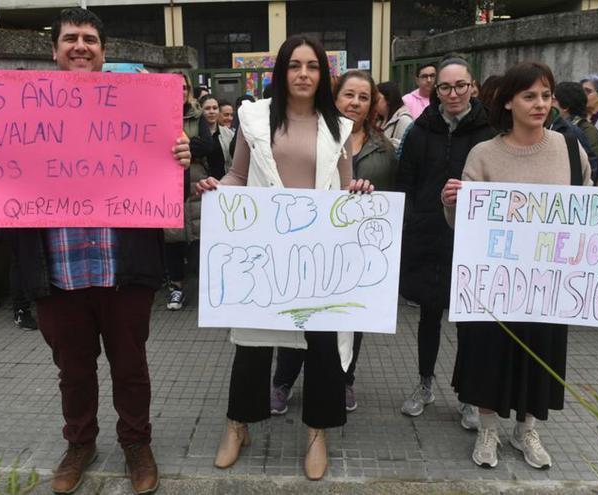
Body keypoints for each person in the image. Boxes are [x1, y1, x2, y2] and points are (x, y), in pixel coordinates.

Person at [0, 9, 192, 495]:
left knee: (131, 366)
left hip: (122, 269)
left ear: (104, 51)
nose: (80, 46)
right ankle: (80, 443)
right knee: (73, 371)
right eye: (70, 39)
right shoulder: (17, 110)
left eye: (89, 39)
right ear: (55, 50)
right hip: (56, 271)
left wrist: (180, 162)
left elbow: (166, 187)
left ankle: (136, 444)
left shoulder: (138, 110)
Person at [196, 35, 373, 481]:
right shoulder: (255, 118)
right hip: (264, 253)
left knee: (322, 348)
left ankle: (317, 433)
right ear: (282, 71)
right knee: (252, 345)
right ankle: (237, 426)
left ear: (322, 75)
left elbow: (344, 187)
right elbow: (237, 175)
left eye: (312, 67)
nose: (303, 74)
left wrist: (359, 193)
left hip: (317, 258)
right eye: (295, 66)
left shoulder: (338, 127)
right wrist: (217, 189)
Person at [440, 62, 596, 470]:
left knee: (538, 351)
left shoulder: (568, 148)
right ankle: (488, 428)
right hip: (493, 282)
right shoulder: (484, 153)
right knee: (487, 353)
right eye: (529, 95)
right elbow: (462, 225)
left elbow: (590, 208)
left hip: (547, 282)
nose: (540, 104)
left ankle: (526, 429)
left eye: (546, 95)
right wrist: (451, 202)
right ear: (508, 101)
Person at [270, 69, 397, 416]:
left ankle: (343, 379)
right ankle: (282, 381)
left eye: (364, 97)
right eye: (349, 95)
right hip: (309, 247)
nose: (355, 102)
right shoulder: (314, 137)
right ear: (335, 97)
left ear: (372, 104)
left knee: (350, 321)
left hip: (358, 251)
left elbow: (394, 199)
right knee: (298, 317)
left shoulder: (385, 148)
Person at [396, 57, 495, 429]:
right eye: (445, 87)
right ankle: (424, 385)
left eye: (460, 86)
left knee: (469, 321)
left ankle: (469, 396)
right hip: (427, 235)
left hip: (472, 240)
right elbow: (406, 182)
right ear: (434, 90)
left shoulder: (489, 133)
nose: (453, 94)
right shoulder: (420, 131)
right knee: (429, 315)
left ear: (473, 87)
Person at [164, 76, 212, 311]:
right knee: (172, 238)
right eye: (175, 87)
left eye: (184, 87)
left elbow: (207, 145)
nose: (181, 91)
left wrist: (178, 145)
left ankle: (205, 289)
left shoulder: (197, 114)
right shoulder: (157, 113)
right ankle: (176, 287)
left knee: (198, 236)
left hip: (194, 182)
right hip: (166, 183)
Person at [553, 81, 598, 184]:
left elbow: (590, 168)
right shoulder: (550, 125)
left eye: (553, 100)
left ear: (565, 106)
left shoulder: (588, 131)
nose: (547, 103)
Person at [199, 94, 234, 178]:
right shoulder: (196, 134)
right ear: (200, 110)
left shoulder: (228, 134)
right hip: (202, 183)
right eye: (207, 108)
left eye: (215, 108)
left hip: (223, 184)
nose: (212, 111)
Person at [376, 81, 414, 151]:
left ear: (388, 100)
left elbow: (407, 148)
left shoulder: (404, 120)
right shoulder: (378, 121)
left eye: (377, 99)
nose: (374, 103)